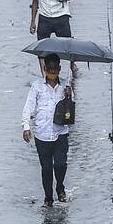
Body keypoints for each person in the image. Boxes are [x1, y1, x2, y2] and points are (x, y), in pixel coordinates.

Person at [21, 54, 72, 206]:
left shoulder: (65, 86)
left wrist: (69, 96)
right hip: (42, 134)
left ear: (59, 69)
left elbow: (70, 111)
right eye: (49, 69)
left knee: (60, 164)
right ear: (44, 69)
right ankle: (48, 197)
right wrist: (26, 126)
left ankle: (60, 188)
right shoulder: (37, 86)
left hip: (60, 132)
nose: (52, 72)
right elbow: (28, 107)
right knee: (46, 168)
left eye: (55, 69)